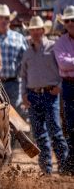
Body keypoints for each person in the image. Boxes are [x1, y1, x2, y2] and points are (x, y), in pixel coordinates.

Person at [21, 16, 69, 175]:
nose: (35, 32)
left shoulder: (53, 47)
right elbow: (24, 75)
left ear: (43, 30)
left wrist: (60, 86)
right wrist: (24, 94)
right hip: (33, 95)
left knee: (55, 131)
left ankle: (64, 167)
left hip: (50, 94)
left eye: (37, 29)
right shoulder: (27, 52)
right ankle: (46, 169)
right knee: (39, 133)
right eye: (32, 30)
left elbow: (63, 70)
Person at [0, 4, 28, 116]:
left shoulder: (19, 37)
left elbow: (26, 62)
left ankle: (17, 134)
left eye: (6, 18)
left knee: (16, 113)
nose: (4, 20)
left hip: (14, 83)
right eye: (1, 17)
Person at [53, 5, 74, 174]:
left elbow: (67, 63)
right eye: (68, 20)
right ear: (64, 23)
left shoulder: (60, 43)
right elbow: (62, 64)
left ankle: (69, 164)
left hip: (68, 84)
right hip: (69, 85)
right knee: (70, 125)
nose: (71, 23)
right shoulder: (60, 42)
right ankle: (70, 164)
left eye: (73, 20)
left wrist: (70, 62)